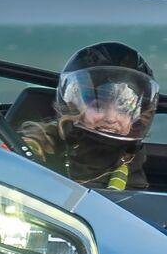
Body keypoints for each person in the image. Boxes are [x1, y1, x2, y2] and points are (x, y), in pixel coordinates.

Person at [17, 41, 158, 193]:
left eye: (124, 108)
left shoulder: (132, 168)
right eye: (98, 105)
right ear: (73, 106)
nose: (111, 117)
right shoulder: (28, 149)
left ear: (137, 116)